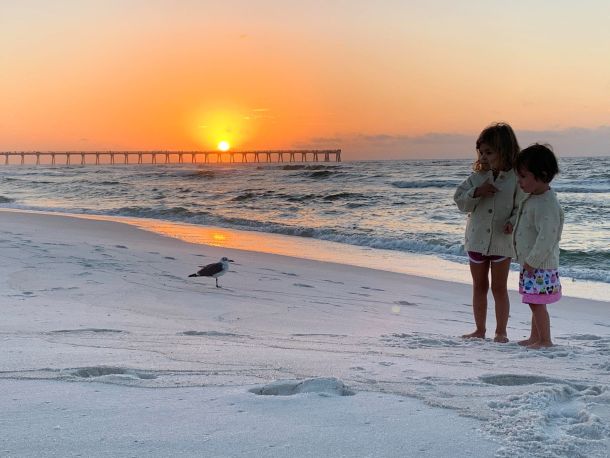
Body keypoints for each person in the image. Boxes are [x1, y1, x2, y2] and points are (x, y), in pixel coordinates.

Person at [454, 122, 522, 342]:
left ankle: (501, 331)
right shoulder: (477, 177)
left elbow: (521, 206)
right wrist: (477, 192)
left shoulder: (516, 179)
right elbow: (460, 200)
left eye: (489, 152)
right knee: (479, 286)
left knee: (499, 288)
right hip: (476, 240)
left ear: (505, 150)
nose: (483, 157)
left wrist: (513, 221)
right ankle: (480, 329)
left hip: (502, 241)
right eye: (481, 152)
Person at [513, 144, 563, 349]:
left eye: (523, 176)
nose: (519, 181)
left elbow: (547, 237)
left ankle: (545, 340)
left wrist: (532, 261)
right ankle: (535, 336)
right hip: (532, 263)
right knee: (534, 300)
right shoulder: (533, 197)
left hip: (540, 264)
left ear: (542, 175)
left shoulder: (547, 204)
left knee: (536, 302)